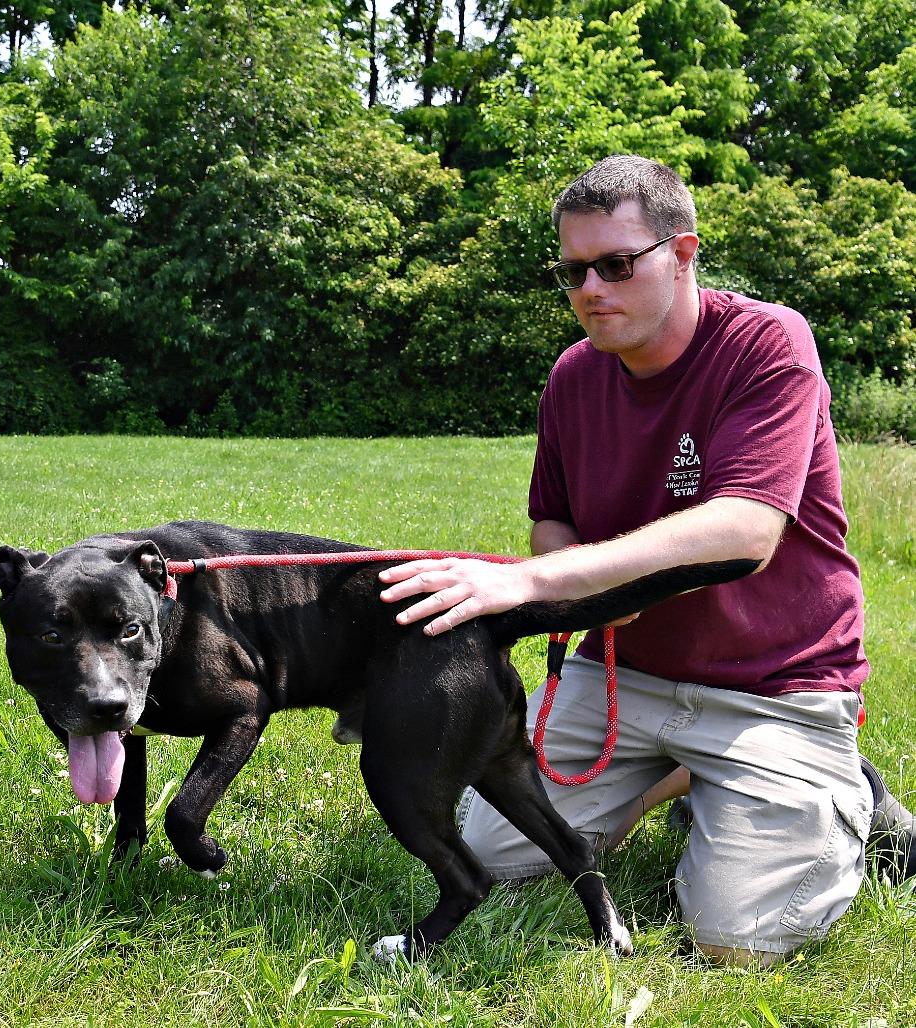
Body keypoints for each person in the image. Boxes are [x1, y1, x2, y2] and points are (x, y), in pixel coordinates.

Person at [378, 154, 915, 965]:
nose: (591, 288)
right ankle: (681, 774)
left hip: (775, 687)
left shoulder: (767, 342)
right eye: (573, 271)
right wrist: (584, 589)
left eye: (617, 264)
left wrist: (537, 583)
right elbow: (553, 521)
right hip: (624, 677)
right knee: (495, 858)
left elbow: (745, 530)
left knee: (738, 941)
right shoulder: (573, 377)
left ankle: (849, 795)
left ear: (684, 254)